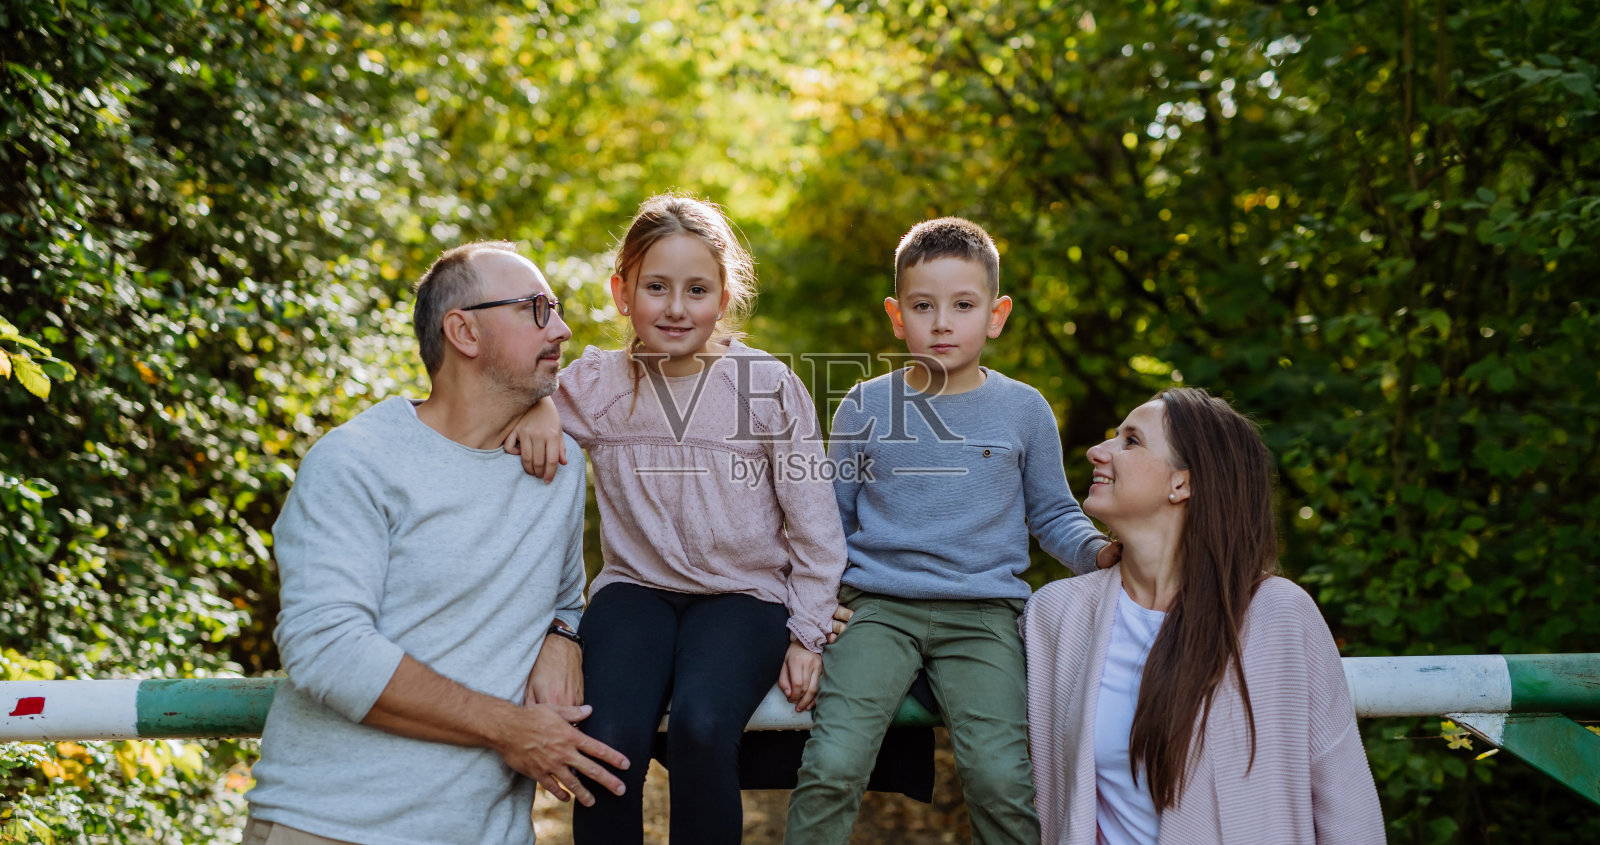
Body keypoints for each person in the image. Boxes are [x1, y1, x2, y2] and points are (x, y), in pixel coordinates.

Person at [244, 242, 628, 845]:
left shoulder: (557, 466)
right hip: (332, 824)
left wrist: (563, 634)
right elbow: (325, 648)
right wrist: (510, 728)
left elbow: (563, 601)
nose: (561, 326)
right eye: (535, 308)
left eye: (553, 307)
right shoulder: (358, 460)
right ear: (464, 332)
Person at [508, 193, 847, 844]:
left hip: (744, 596)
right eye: (656, 287)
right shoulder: (597, 382)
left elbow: (815, 526)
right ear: (622, 291)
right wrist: (541, 407)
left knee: (700, 724)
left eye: (696, 289)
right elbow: (513, 415)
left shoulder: (766, 385)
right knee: (607, 739)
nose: (675, 306)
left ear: (722, 299)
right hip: (636, 591)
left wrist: (807, 633)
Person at [785, 217, 1117, 845]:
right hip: (877, 610)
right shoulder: (864, 404)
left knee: (1000, 780)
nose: (942, 322)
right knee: (831, 766)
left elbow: (1053, 514)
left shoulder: (1024, 409)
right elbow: (827, 520)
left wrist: (1100, 554)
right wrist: (812, 609)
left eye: (963, 305)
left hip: (985, 614)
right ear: (896, 314)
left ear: (996, 314)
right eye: (923, 305)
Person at [1020, 387, 1385, 844]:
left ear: (1182, 483)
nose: (1098, 451)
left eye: (1130, 441)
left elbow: (1346, 803)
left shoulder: (1277, 615)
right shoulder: (1057, 616)